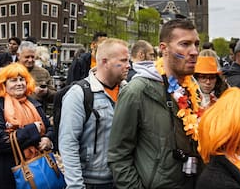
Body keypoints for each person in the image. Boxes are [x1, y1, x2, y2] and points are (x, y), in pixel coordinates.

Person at [108, 19, 201, 188]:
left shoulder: (194, 90)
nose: (194, 51)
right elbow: (118, 155)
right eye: (185, 44)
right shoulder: (137, 91)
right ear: (164, 49)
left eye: (196, 44)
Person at [59, 38, 129, 188]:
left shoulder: (128, 92)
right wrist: (76, 185)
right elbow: (68, 143)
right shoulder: (79, 94)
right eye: (123, 61)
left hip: (123, 180)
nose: (128, 65)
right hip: (91, 181)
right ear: (104, 62)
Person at [0, 62, 53, 189]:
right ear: (4, 84)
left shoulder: (33, 103)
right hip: (8, 174)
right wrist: (32, 130)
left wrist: (47, 138)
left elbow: (49, 127)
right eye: (13, 80)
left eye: (22, 79)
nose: (19, 83)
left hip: (37, 168)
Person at [18, 41, 56, 116]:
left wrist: (46, 92)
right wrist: (32, 92)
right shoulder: (10, 71)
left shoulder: (43, 73)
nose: (30, 60)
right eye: (27, 57)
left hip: (38, 114)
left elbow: (54, 96)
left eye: (32, 57)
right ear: (19, 55)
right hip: (17, 114)